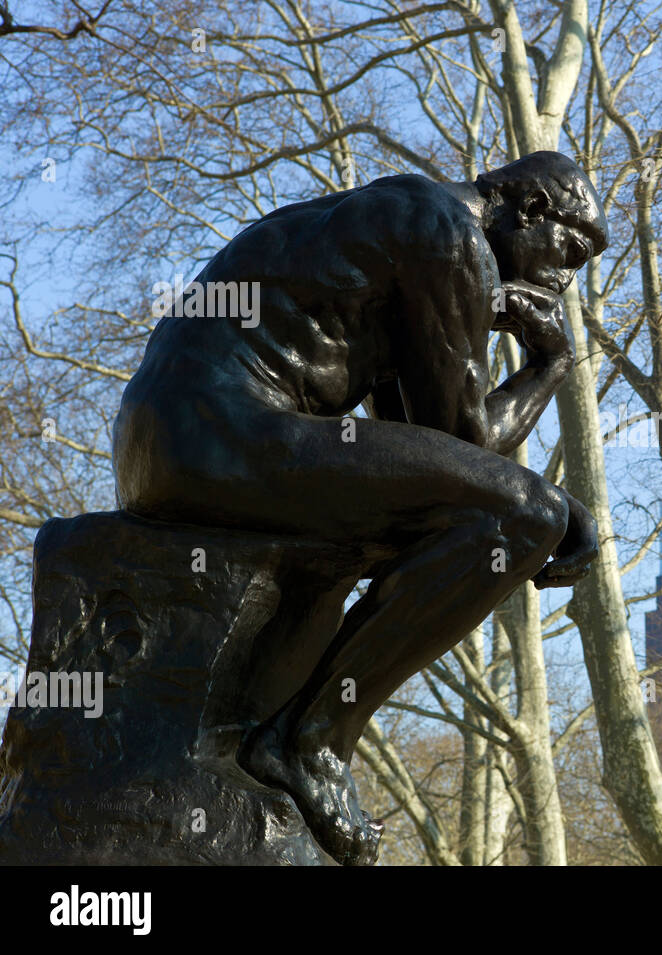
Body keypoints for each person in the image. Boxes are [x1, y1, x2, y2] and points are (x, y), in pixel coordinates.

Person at [112, 151, 607, 865]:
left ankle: (291, 731)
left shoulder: (399, 217)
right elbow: (469, 445)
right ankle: (306, 742)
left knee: (502, 512)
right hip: (220, 432)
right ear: (527, 208)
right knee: (524, 517)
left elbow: (425, 451)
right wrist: (549, 365)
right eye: (570, 249)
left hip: (161, 444)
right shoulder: (447, 231)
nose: (565, 279)